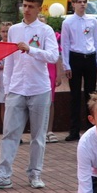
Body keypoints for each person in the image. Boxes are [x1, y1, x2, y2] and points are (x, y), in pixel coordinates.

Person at [0, 0, 58, 190]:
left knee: (38, 136)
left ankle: (35, 174)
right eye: (24, 5)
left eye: (31, 6)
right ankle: (3, 175)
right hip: (16, 88)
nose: (26, 10)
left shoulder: (46, 30)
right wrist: (7, 88)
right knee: (9, 133)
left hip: (39, 88)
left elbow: (52, 56)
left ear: (39, 8)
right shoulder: (14, 30)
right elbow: (10, 60)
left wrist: (31, 50)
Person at [61, 0, 97, 141]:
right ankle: (74, 130)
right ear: (73, 4)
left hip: (90, 58)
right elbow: (65, 44)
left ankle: (92, 128)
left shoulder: (92, 21)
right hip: (75, 58)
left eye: (84, 1)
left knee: (91, 95)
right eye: (79, 2)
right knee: (75, 96)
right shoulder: (68, 22)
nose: (82, 4)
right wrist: (66, 65)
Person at [37, 13, 63, 143]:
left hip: (50, 71)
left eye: (43, 22)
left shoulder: (50, 36)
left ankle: (49, 130)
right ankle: (39, 131)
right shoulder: (33, 37)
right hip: (37, 72)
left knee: (50, 101)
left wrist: (59, 74)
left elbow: (57, 56)